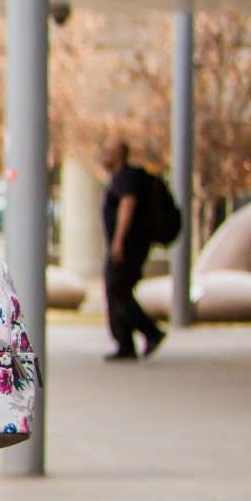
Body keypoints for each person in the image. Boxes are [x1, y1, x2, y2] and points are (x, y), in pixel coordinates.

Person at [100, 139, 168, 362]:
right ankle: (126, 343)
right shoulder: (123, 177)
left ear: (119, 154)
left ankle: (149, 332)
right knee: (118, 290)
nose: (102, 156)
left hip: (128, 247)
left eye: (107, 151)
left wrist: (118, 242)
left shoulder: (126, 178)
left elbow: (127, 206)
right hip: (130, 245)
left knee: (117, 289)